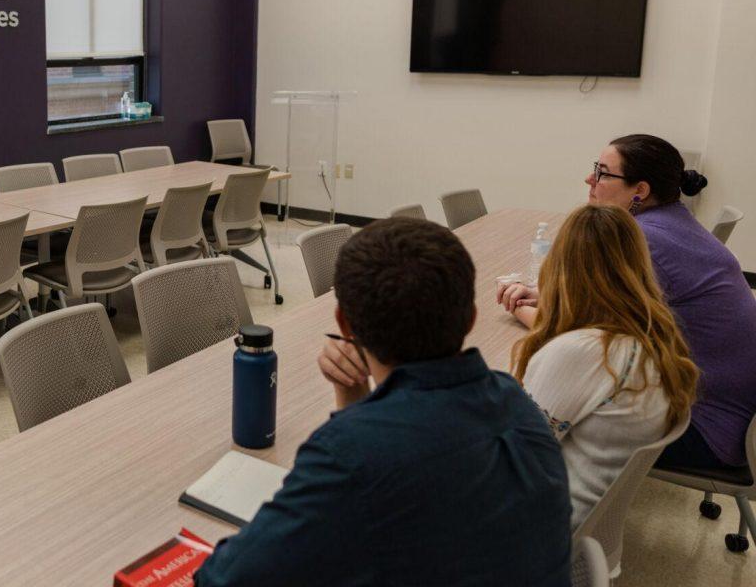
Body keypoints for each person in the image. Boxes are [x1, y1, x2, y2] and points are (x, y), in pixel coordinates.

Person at [194, 218, 571, 587]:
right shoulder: (517, 400)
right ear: (471, 319)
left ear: (344, 325)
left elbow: (225, 578)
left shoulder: (351, 454)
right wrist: (352, 395)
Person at [500, 134, 756, 473]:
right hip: (730, 413)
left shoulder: (645, 241)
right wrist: (549, 299)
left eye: (603, 173)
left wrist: (518, 306)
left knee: (534, 420)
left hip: (704, 429)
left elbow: (583, 343)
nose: (590, 180)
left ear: (641, 191)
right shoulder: (673, 222)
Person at [507, 204, 699, 528]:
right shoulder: (652, 334)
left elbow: (513, 457)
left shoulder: (581, 353)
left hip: (539, 529)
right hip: (585, 516)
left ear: (559, 269)